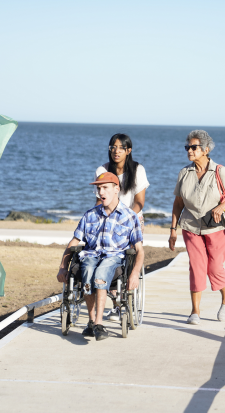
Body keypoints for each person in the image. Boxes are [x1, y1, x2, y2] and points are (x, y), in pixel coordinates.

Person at [57, 172, 144, 341]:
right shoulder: (90, 215)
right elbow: (74, 241)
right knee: (88, 271)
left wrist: (135, 274)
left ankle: (98, 323)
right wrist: (63, 267)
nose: (101, 193)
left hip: (114, 258)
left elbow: (140, 250)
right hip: (91, 255)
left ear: (116, 189)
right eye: (98, 189)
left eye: (105, 188)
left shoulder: (129, 216)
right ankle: (91, 322)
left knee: (101, 273)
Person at [168, 130, 225, 325]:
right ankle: (195, 311)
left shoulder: (220, 171)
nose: (189, 151)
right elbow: (178, 203)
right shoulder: (184, 173)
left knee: (215, 266)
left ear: (206, 150)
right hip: (190, 227)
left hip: (216, 228)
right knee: (197, 267)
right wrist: (173, 230)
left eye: (194, 147)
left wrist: (220, 207)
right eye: (187, 147)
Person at [95, 133, 149, 321]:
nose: (115, 151)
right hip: (109, 219)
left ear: (128, 150)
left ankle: (128, 290)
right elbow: (99, 200)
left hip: (132, 218)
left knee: (130, 253)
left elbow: (139, 202)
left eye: (120, 148)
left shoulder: (138, 169)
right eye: (112, 147)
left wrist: (125, 218)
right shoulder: (102, 170)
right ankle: (116, 302)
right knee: (105, 252)